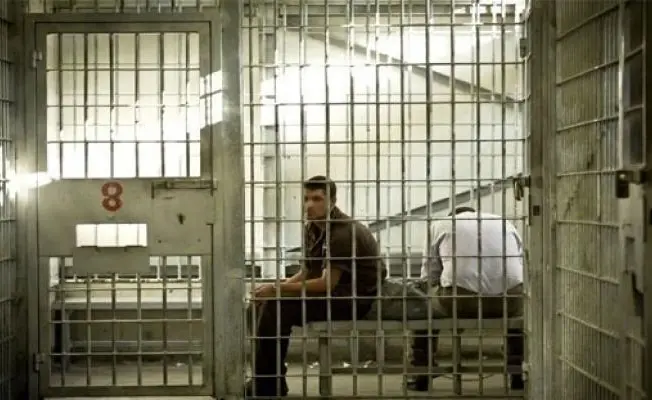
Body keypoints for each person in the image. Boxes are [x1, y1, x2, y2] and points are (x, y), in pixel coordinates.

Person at [245, 175, 387, 398]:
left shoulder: (342, 232)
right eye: (306, 199)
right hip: (332, 294)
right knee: (256, 306)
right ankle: (271, 379)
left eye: (317, 199)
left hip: (353, 299)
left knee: (275, 308)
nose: (309, 205)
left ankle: (266, 386)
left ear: (332, 201)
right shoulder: (312, 227)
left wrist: (276, 290)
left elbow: (327, 283)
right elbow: (307, 271)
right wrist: (275, 287)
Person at [407, 206, 525, 392]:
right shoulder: (504, 223)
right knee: (519, 314)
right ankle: (517, 370)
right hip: (508, 299)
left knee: (422, 308)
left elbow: (428, 277)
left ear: (452, 216)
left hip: (460, 300)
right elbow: (518, 265)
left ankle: (422, 372)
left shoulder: (440, 225)